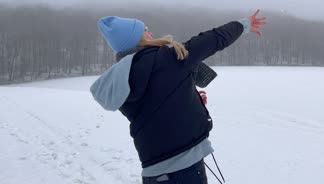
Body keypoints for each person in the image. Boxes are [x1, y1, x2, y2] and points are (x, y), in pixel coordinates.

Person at [90, 10, 267, 184]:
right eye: (145, 29)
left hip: (153, 173)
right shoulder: (167, 58)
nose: (150, 32)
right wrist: (244, 25)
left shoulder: (122, 78)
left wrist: (187, 98)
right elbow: (213, 39)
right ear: (136, 38)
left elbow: (156, 110)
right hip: (184, 171)